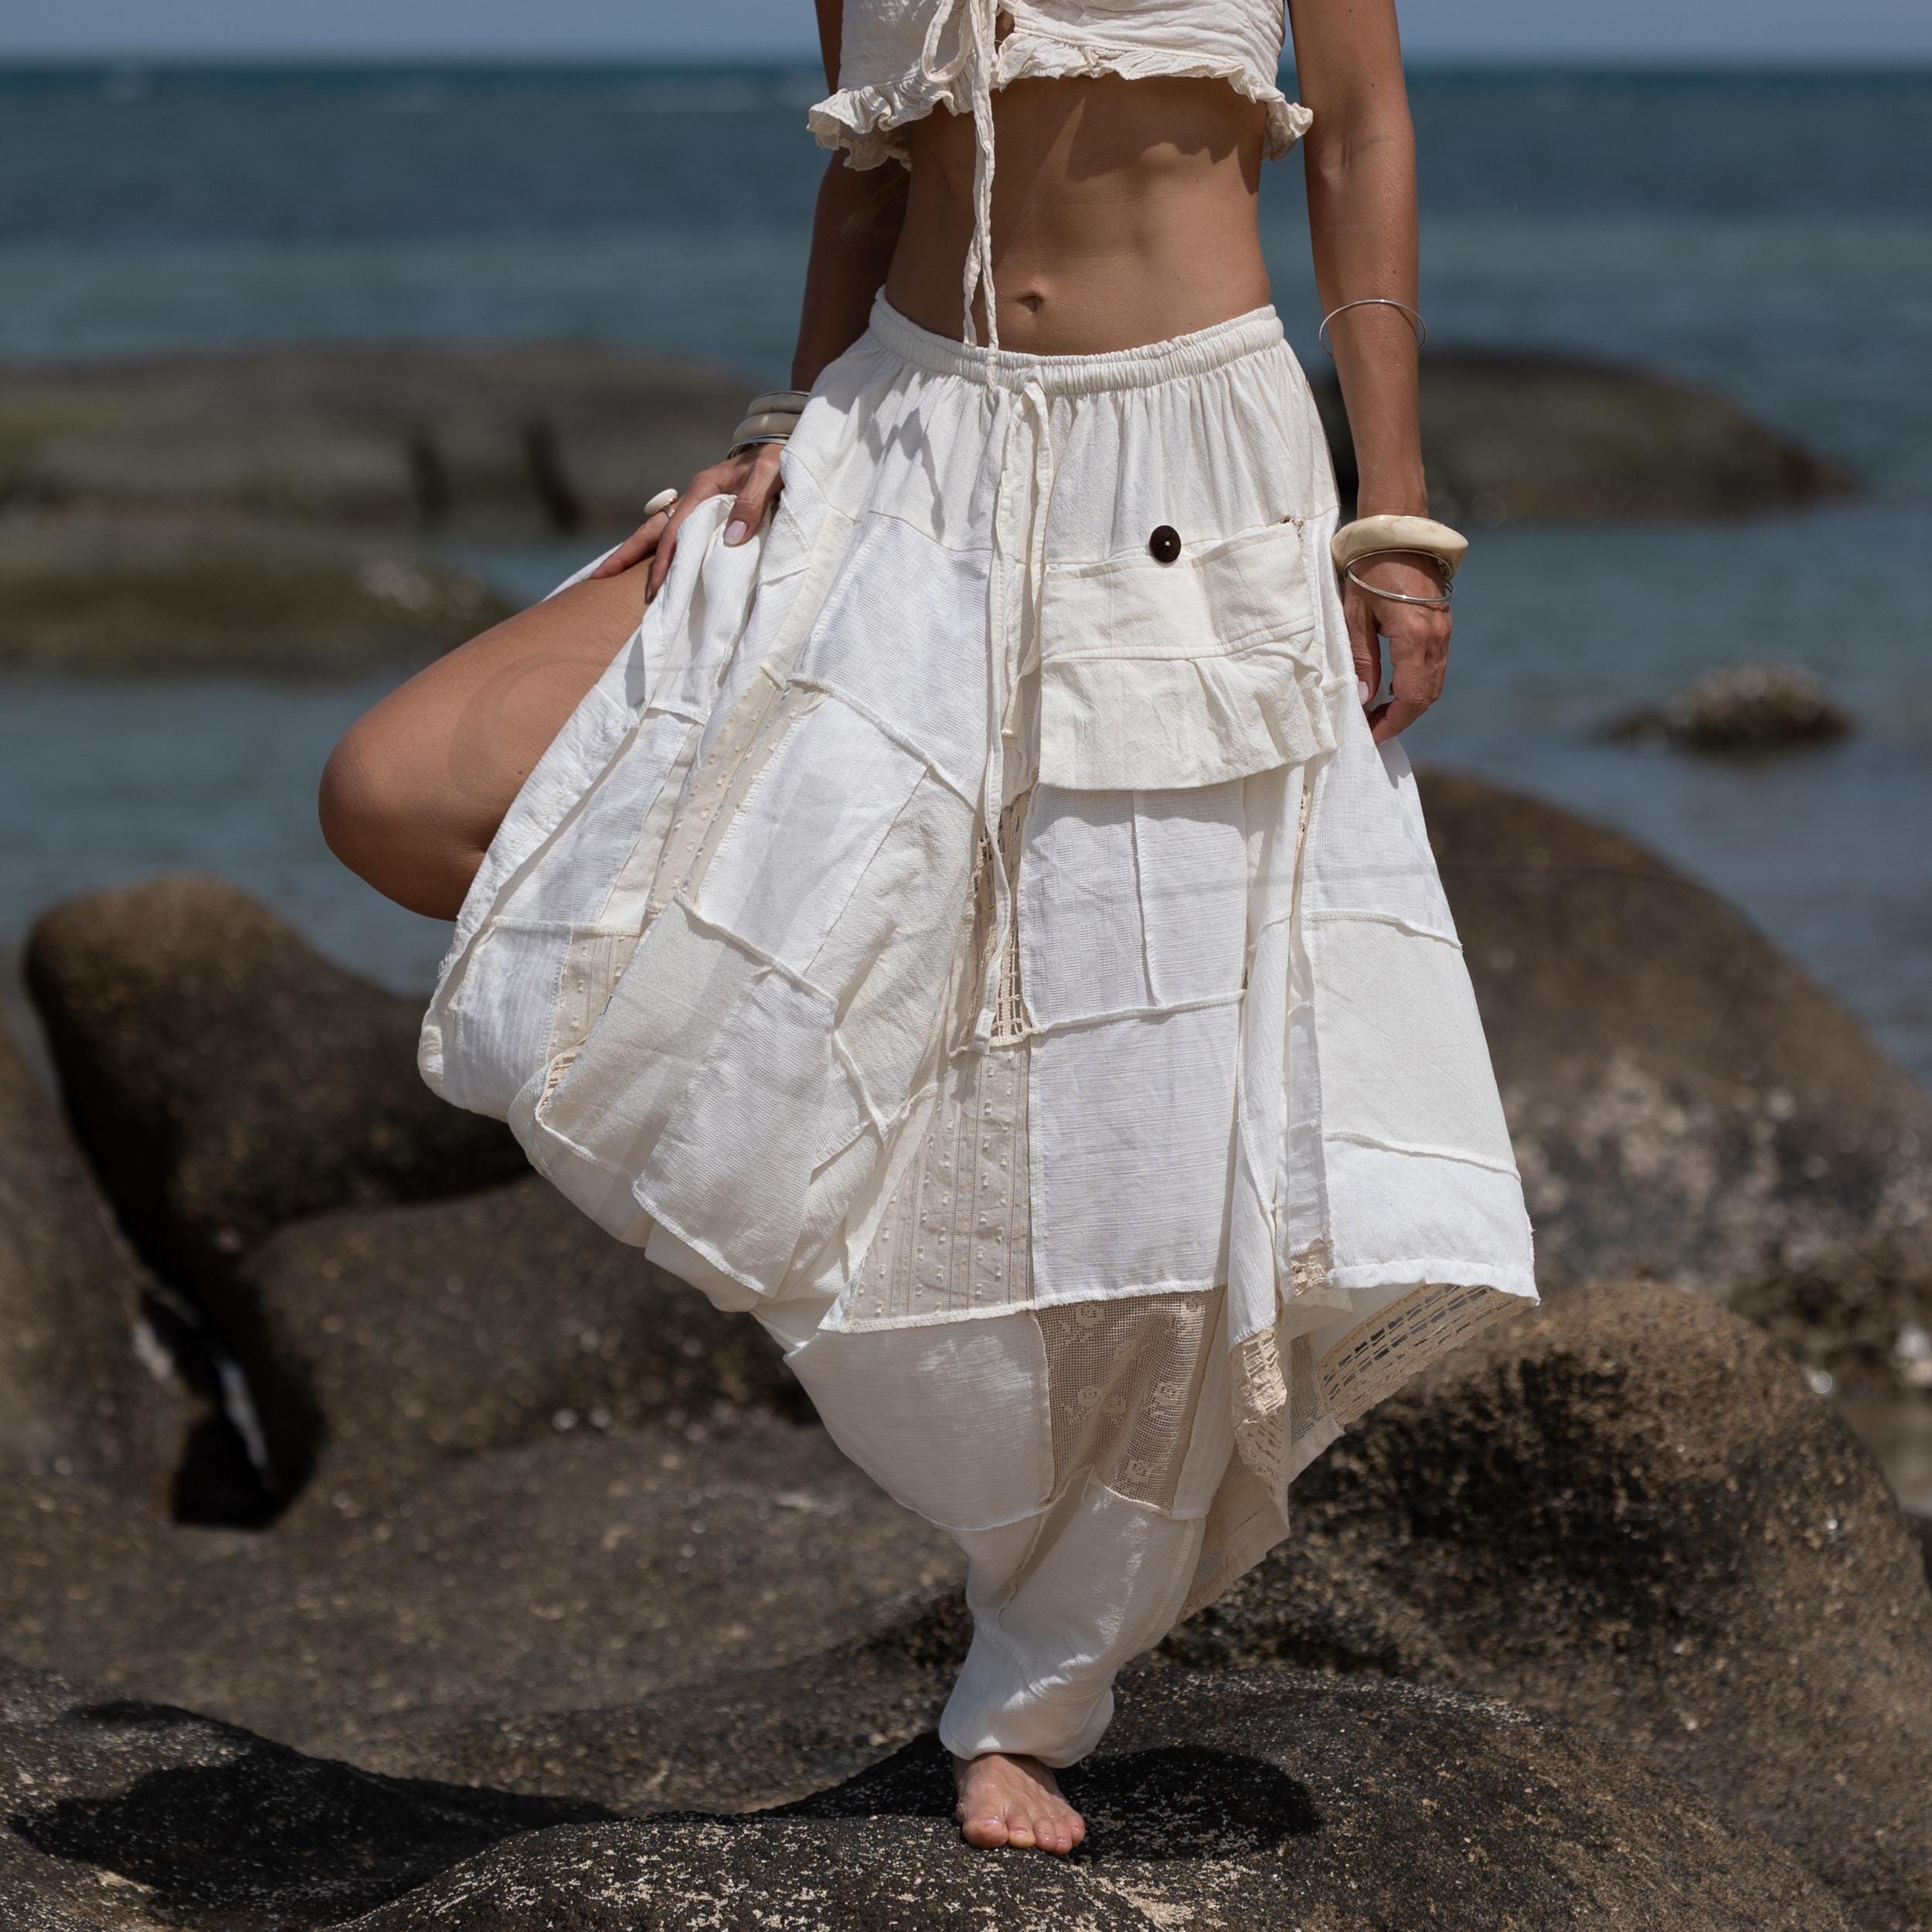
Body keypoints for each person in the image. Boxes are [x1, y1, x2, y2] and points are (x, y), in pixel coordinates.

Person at [319, 0, 1537, 1859]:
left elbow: (1360, 134)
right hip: (893, 440)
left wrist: (1392, 510)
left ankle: (1030, 1695)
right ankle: (844, 1229)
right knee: (403, 786)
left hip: (1180, 475)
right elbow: (870, 161)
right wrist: (787, 415)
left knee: (1154, 1146)